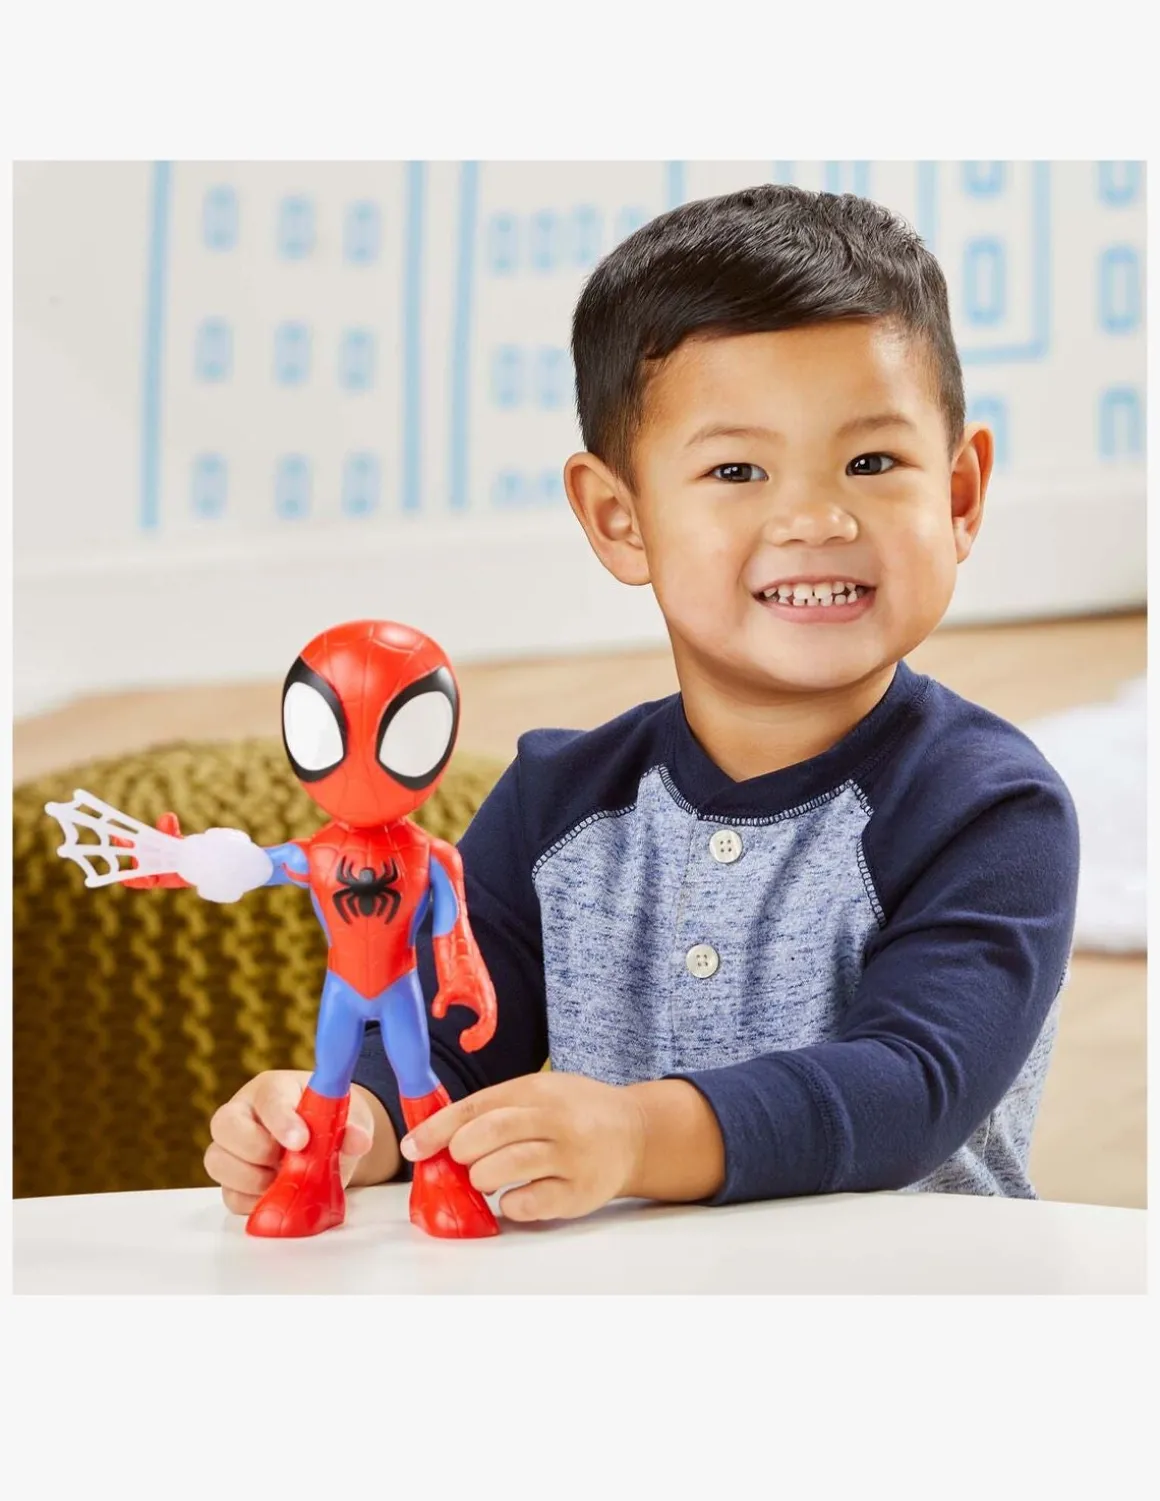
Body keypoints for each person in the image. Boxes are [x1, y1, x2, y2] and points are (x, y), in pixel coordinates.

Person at [204, 183, 1079, 1225]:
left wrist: (632, 1134)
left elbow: (909, 1084)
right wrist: (351, 1121)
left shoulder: (989, 808)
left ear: (959, 493)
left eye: (871, 461)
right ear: (619, 519)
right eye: (737, 469)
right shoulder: (556, 802)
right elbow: (446, 1046)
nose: (813, 518)